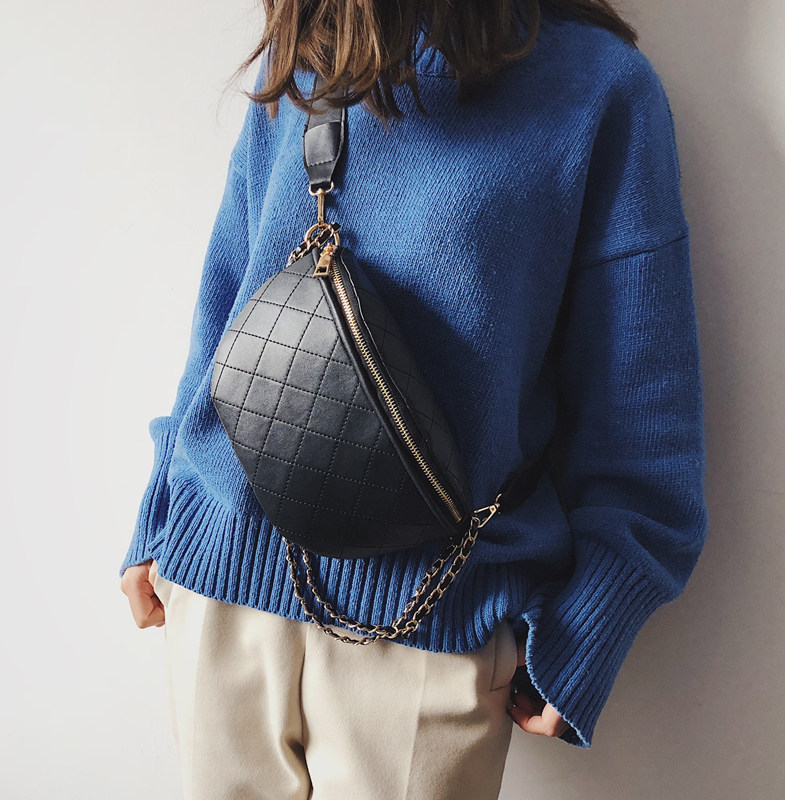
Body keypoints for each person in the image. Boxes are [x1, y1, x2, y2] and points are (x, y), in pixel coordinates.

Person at [119, 1, 709, 798]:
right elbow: (227, 309)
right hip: (222, 589)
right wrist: (161, 507)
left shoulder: (600, 89)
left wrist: (586, 627)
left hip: (432, 631)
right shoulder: (307, 48)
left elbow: (642, 412)